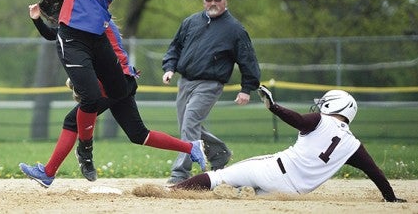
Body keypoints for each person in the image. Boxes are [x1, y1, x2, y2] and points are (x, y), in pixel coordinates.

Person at [19, 0, 205, 186]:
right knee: (91, 99)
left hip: (95, 42)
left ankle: (189, 148)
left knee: (121, 97)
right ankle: (82, 153)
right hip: (73, 36)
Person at [19, 2, 207, 187]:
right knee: (139, 134)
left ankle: (50, 172)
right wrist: (37, 20)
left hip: (115, 81)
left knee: (72, 121)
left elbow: (63, 37)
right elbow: (57, 35)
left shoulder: (88, 23)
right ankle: (192, 148)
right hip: (122, 80)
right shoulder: (92, 19)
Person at [171, 86, 407, 203]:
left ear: (333, 106)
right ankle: (241, 192)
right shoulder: (353, 144)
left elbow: (298, 120)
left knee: (219, 177)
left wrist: (274, 107)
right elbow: (375, 172)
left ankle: (170, 193)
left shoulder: (321, 120)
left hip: (274, 169)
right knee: (247, 193)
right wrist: (391, 198)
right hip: (290, 193)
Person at [162, 0, 260, 184]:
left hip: (210, 84)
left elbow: (247, 59)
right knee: (188, 126)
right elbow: (175, 48)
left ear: (226, 0)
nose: (213, 3)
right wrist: (169, 67)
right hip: (185, 81)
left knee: (190, 121)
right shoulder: (191, 22)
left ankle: (180, 173)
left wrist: (246, 88)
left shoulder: (235, 29)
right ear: (203, 1)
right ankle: (220, 153)